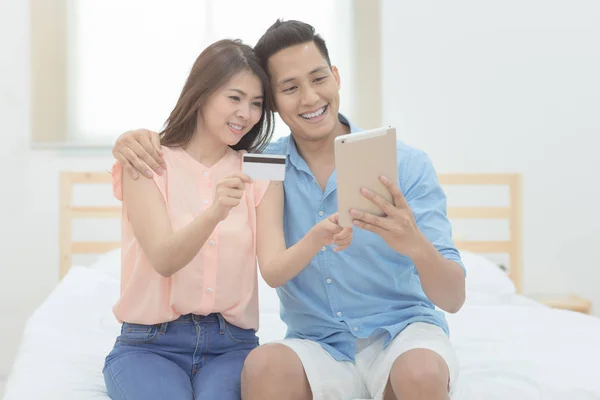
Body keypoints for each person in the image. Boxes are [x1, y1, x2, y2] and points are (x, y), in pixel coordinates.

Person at [111, 20, 467, 400]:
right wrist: (127, 139)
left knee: (420, 373)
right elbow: (202, 157)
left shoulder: (404, 164)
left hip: (401, 335)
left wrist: (413, 243)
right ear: (276, 103)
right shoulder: (265, 165)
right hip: (319, 345)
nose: (310, 98)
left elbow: (453, 298)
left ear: (335, 77)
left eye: (318, 79)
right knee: (264, 366)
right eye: (290, 88)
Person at [102, 38, 352, 400]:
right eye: (234, 98)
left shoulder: (261, 169)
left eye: (256, 104)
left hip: (231, 346)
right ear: (202, 93)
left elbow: (273, 269)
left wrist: (317, 236)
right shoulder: (147, 160)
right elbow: (164, 259)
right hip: (149, 345)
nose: (246, 114)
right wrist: (216, 212)